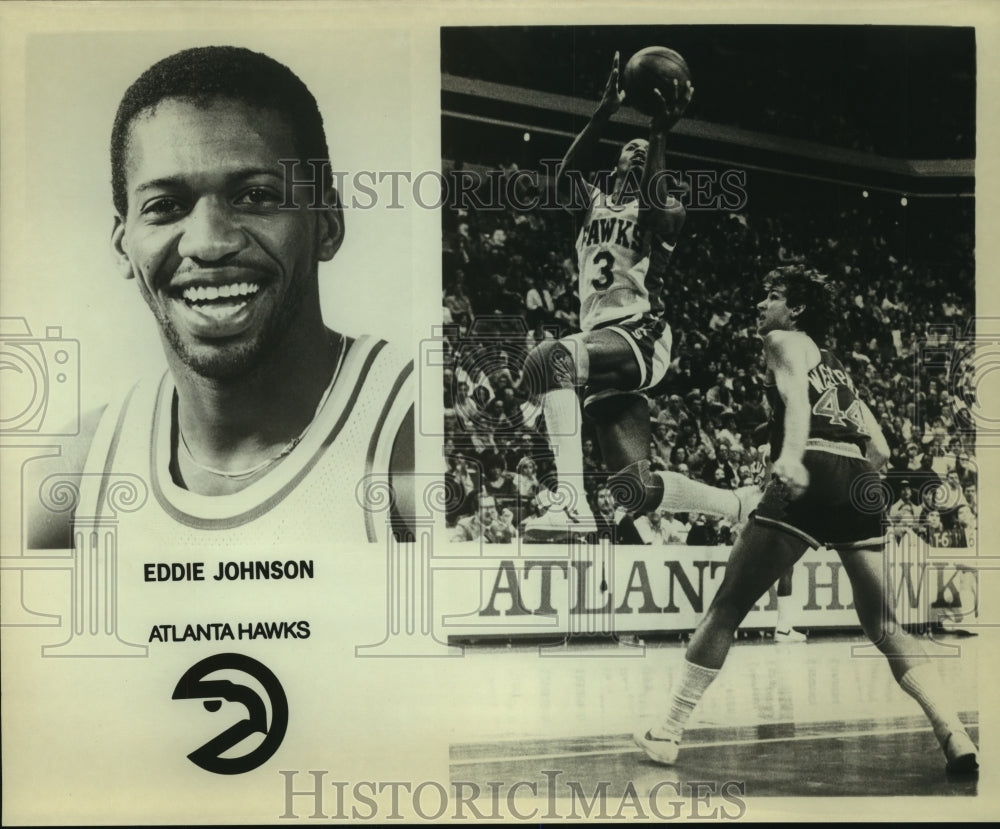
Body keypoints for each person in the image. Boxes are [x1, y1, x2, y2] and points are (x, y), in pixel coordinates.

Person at [27, 46, 414, 549]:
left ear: (327, 224)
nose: (208, 243)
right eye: (165, 206)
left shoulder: (414, 447)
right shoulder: (74, 477)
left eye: (255, 196)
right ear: (124, 246)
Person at [634, 265, 978, 774]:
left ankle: (667, 733)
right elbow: (880, 448)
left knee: (726, 609)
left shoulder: (784, 340)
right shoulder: (838, 369)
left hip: (811, 463)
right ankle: (954, 733)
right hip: (860, 480)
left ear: (796, 310)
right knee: (884, 624)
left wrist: (794, 457)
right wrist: (841, 488)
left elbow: (795, 398)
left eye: (771, 297)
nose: (760, 306)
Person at [519, 53, 757, 537]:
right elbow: (565, 175)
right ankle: (736, 504)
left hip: (639, 335)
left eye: (644, 151)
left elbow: (654, 202)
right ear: (616, 159)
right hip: (601, 344)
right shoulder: (592, 203)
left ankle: (570, 507)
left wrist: (658, 132)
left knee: (549, 359)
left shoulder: (668, 208)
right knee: (634, 488)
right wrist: (603, 113)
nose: (638, 153)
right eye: (631, 149)